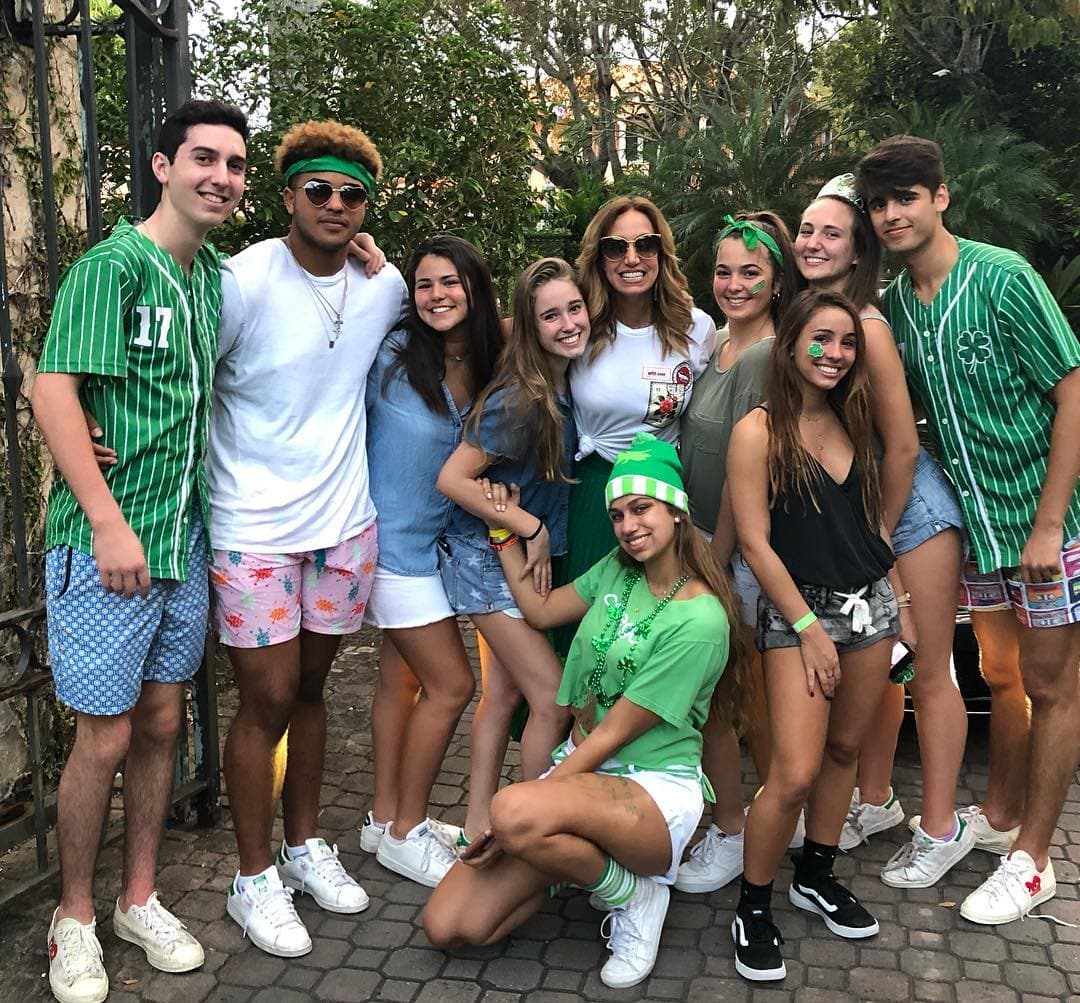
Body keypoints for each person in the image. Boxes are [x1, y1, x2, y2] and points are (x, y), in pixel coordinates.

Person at [32, 100, 248, 1003]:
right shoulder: (111, 268)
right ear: (162, 166)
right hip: (108, 544)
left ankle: (139, 897)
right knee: (105, 734)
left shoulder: (211, 278)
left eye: (236, 165)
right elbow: (52, 389)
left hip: (180, 542)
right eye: (204, 158)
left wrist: (366, 256)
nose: (222, 177)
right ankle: (73, 918)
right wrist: (106, 516)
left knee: (164, 723)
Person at [422, 432, 752, 990]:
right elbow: (541, 610)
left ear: (675, 511)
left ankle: (634, 893)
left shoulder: (701, 620)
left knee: (514, 813)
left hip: (650, 789)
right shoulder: (617, 571)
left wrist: (524, 816)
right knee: (450, 925)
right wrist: (504, 527)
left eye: (642, 508)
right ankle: (577, 862)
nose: (628, 525)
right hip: (584, 770)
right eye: (618, 514)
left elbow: (613, 734)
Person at [856, 136, 1080, 923]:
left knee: (1054, 687)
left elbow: (1073, 391)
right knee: (1003, 676)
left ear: (940, 197)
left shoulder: (1003, 278)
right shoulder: (896, 310)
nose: (891, 214)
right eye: (879, 203)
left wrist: (1050, 522)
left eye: (905, 197)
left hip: (1042, 524)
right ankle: (1003, 814)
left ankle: (1035, 862)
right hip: (978, 526)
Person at [205, 120, 405, 956]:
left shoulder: (384, 286)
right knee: (266, 699)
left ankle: (303, 846)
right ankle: (252, 879)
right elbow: (179, 377)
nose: (334, 204)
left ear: (366, 205)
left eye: (351, 193)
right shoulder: (240, 282)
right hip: (251, 528)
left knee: (314, 692)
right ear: (286, 194)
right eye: (317, 189)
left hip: (343, 527)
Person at [795, 174, 972, 888]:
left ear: (858, 247)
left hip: (910, 511)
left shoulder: (865, 323)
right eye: (806, 229)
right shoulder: (813, 312)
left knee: (930, 669)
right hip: (867, 514)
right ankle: (875, 799)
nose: (813, 241)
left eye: (831, 232)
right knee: (880, 664)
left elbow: (900, 448)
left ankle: (942, 828)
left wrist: (880, 537)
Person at [727, 289, 901, 981]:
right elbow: (755, 544)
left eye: (848, 341)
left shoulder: (855, 418)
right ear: (792, 342)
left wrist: (888, 579)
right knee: (793, 771)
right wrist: (806, 626)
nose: (835, 353)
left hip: (871, 608)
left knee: (847, 748)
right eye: (821, 339)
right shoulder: (757, 431)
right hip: (797, 613)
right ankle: (754, 903)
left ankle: (816, 874)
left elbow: (870, 512)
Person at [362, 234, 503, 886]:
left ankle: (382, 816)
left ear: (474, 289)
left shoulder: (489, 362)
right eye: (424, 284)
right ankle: (406, 829)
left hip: (443, 546)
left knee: (401, 680)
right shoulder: (390, 354)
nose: (437, 295)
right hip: (393, 550)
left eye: (450, 282)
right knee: (453, 685)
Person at [435, 258, 584, 841]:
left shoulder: (559, 381)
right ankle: (531, 835)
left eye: (574, 309)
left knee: (503, 697)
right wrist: (527, 524)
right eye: (550, 315)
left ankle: (478, 828)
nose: (567, 323)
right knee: (551, 699)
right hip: (486, 563)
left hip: (510, 560)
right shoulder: (521, 396)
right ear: (529, 325)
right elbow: (453, 478)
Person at [675, 211, 800, 893]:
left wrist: (714, 563)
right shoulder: (718, 342)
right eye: (723, 271)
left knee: (729, 698)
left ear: (778, 279)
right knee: (734, 695)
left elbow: (743, 478)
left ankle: (737, 829)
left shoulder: (766, 354)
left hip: (735, 552)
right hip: (697, 539)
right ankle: (756, 818)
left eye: (750, 272)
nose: (733, 283)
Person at [552, 196, 716, 655]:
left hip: (662, 501)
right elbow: (519, 335)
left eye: (645, 244)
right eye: (614, 246)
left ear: (662, 253)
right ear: (598, 257)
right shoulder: (580, 327)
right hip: (595, 495)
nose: (631, 258)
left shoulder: (695, 327)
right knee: (586, 640)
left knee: (651, 637)